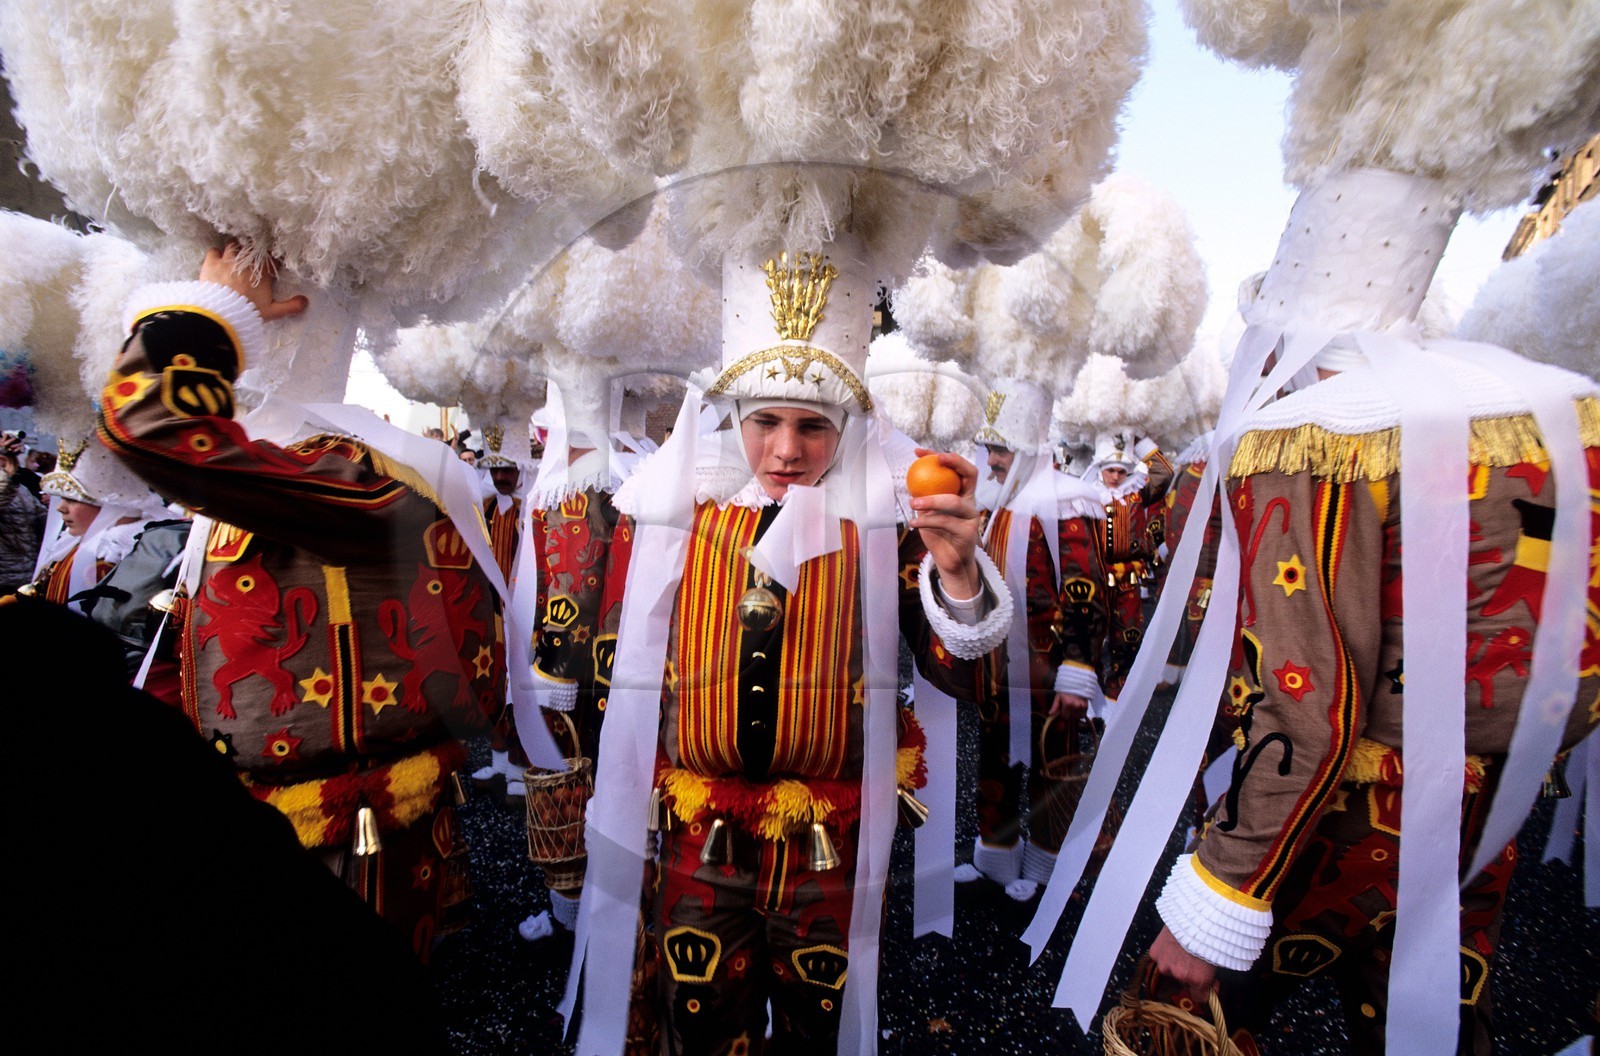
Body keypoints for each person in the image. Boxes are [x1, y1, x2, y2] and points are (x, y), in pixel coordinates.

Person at [573, 241, 1012, 1056]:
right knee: (696, 1025)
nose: (785, 450)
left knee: (822, 1027)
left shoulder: (882, 531)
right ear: (733, 420)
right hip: (698, 834)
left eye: (813, 425)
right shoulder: (680, 522)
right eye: (764, 422)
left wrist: (956, 574)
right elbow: (619, 672)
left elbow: (963, 674)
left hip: (834, 844)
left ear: (845, 428)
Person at [1145, 342, 1600, 1052]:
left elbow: (1309, 706)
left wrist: (1218, 895)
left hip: (1331, 818)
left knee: (1180, 1020)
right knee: (1430, 1025)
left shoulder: (1317, 434)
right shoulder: (1541, 410)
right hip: (1473, 804)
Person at [97, 245, 504, 961]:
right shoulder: (287, 468)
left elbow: (148, 424)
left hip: (334, 841)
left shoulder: (356, 475)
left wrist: (205, 319)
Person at [960, 377, 1110, 899]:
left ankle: (1049, 869)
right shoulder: (998, 503)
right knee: (995, 762)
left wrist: (1079, 668)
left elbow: (1085, 593)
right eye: (991, 448)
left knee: (1055, 766)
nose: (992, 459)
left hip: (1051, 674)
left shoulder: (1068, 503)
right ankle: (996, 856)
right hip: (1000, 670)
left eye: (1000, 448)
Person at [1085, 429, 1174, 702]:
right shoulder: (1085, 494)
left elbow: (1164, 473)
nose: (1115, 476)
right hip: (1094, 579)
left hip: (1128, 579)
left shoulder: (1136, 494)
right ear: (1100, 468)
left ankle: (1117, 695)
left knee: (1128, 637)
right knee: (1089, 638)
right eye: (1110, 470)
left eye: (1121, 471)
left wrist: (1142, 441)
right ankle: (1088, 697)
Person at [0, 433, 45, 595]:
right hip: (4, 582)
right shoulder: (7, 482)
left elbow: (43, 524)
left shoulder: (20, 488)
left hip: (27, 578)